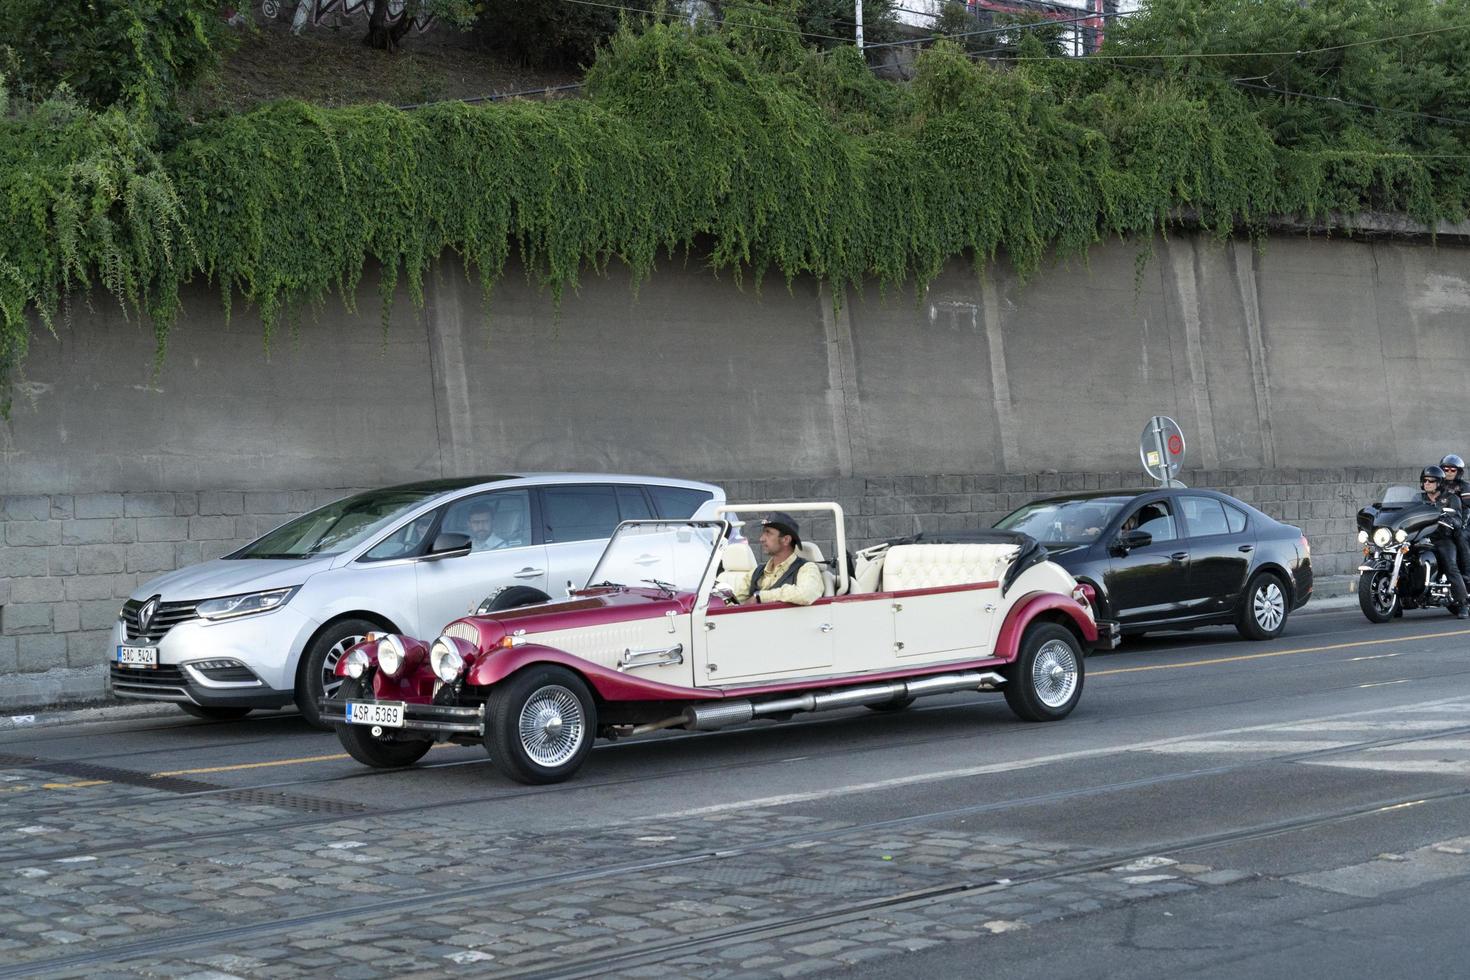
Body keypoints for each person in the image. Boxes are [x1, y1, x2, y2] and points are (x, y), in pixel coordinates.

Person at [729, 512, 824, 606]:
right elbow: (734, 603)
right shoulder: (755, 573)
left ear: (786, 540)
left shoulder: (807, 569)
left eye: (768, 533)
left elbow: (805, 594)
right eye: (763, 532)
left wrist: (761, 597)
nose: (761, 539)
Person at [1418, 465, 1469, 618]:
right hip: (1419, 537)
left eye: (1431, 481)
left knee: (1451, 566)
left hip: (1442, 538)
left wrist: (1450, 520)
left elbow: (1458, 519)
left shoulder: (1451, 498)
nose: (1427, 483)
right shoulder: (1418, 498)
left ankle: (1462, 604)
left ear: (1439, 482)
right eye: (1425, 480)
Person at [1440, 454, 1470, 584]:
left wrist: (1461, 524)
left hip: (1463, 523)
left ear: (1459, 471)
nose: (1449, 472)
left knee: (1461, 536)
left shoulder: (1464, 487)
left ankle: (1467, 574)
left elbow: (1467, 507)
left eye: (1453, 470)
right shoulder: (1437, 485)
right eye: (1446, 469)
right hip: (1443, 521)